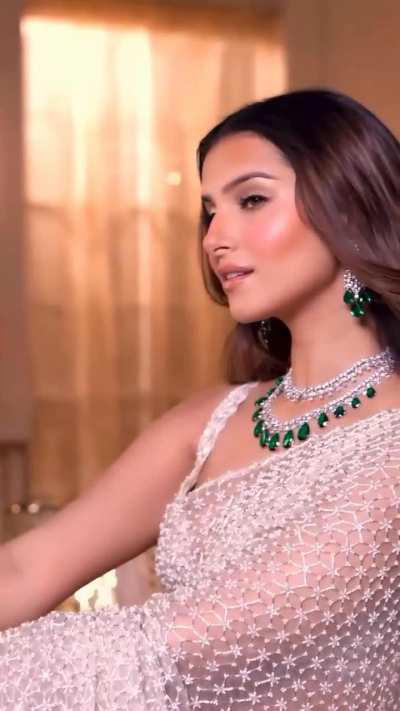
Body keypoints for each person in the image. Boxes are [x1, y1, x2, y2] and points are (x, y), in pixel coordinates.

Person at [1, 87, 400, 709]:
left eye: (252, 200)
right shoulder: (207, 422)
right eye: (210, 211)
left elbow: (195, 647)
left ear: (348, 207)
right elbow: (26, 569)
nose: (215, 236)